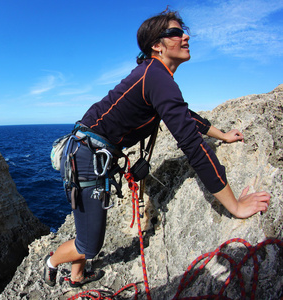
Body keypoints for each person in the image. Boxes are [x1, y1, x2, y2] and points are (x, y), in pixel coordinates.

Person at [43, 9, 271, 288]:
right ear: (157, 45)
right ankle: (52, 262)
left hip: (85, 153)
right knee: (90, 245)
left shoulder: (154, 76)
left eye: (183, 31)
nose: (186, 36)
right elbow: (192, 145)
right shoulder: (156, 76)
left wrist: (221, 135)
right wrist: (234, 206)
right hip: (87, 158)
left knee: (87, 228)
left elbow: (185, 116)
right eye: (176, 33)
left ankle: (77, 276)